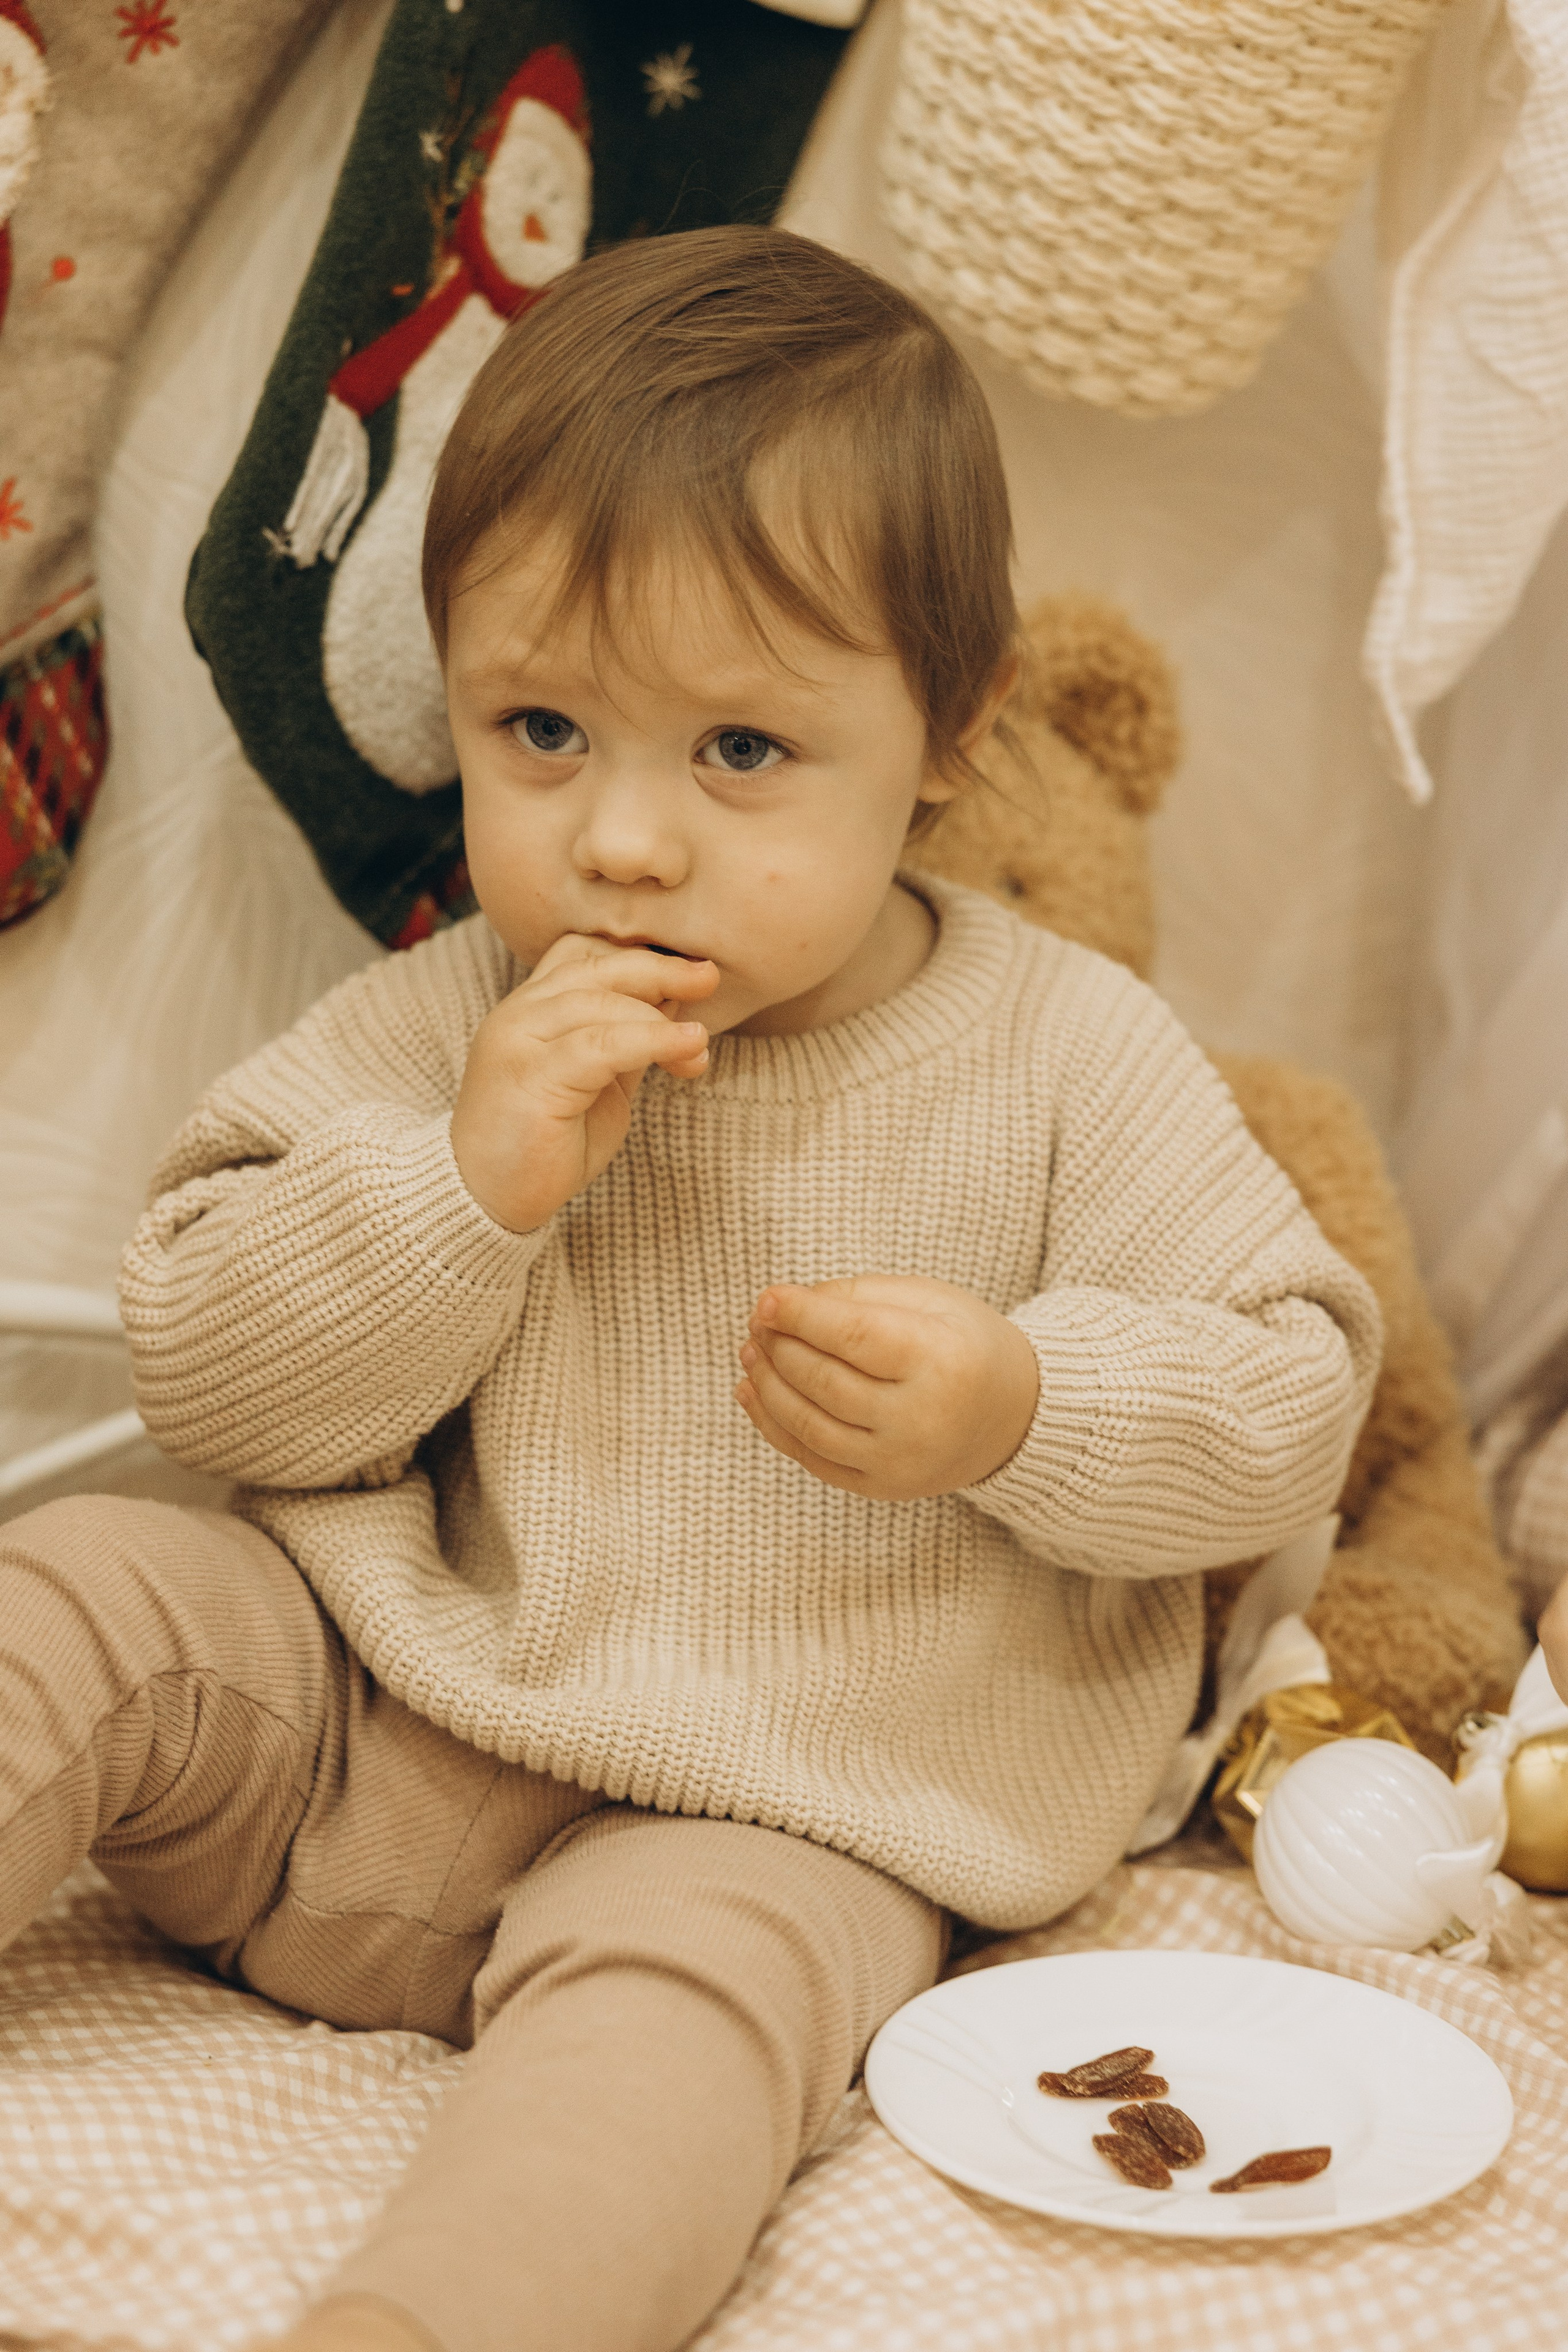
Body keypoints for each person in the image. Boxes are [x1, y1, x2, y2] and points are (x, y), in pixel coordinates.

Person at [0, 227, 1381, 2352]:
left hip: (776, 1810)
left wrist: (1025, 1407)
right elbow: (205, 1370)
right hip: (351, 1740)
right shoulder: (455, 1013)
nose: (626, 842)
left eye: (740, 751)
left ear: (951, 730)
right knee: (86, 1583)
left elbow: (1289, 1396)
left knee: (697, 2016)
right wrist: (460, 1190)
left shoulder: (1062, 1051)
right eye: (543, 729)